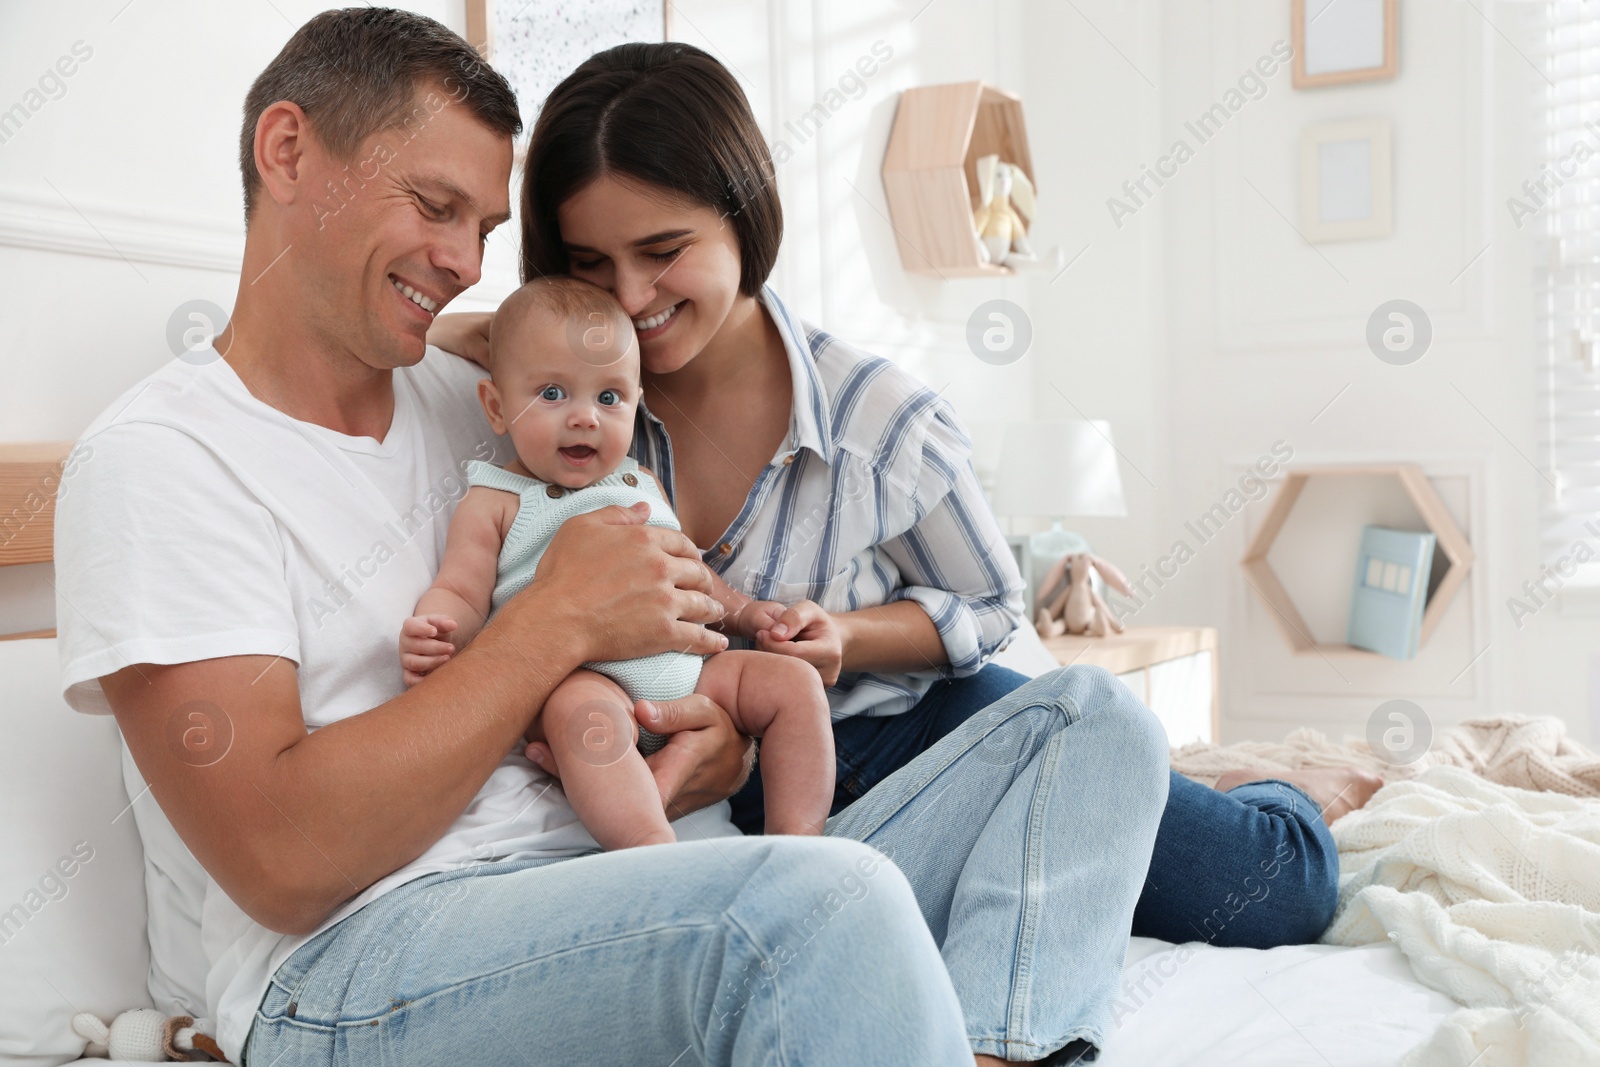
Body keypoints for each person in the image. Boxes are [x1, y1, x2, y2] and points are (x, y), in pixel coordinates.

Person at [55, 10, 1169, 1065]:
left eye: (484, 229)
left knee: (1094, 720)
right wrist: (553, 624)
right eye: (432, 205)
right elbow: (281, 861)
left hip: (643, 873)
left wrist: (714, 729)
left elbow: (582, 389)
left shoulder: (483, 394)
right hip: (360, 959)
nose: (460, 257)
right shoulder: (164, 461)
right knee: (823, 899)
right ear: (286, 150)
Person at [430, 38, 1383, 957]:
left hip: (905, 725)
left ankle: (1283, 788)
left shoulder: (877, 419)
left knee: (1275, 891)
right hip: (737, 776)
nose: (630, 296)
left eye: (663, 250)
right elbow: (455, 348)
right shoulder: (567, 389)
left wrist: (847, 637)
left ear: (743, 215)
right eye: (590, 264)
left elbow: (992, 604)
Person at [401, 275, 835, 845]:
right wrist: (441, 631)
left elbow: (687, 569)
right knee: (581, 718)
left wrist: (748, 613)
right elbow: (460, 588)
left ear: (635, 405)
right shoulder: (497, 501)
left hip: (694, 675)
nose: (585, 417)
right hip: (586, 681)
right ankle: (649, 851)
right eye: (552, 394)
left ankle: (798, 844)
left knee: (797, 685)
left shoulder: (640, 480)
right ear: (497, 407)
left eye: (609, 398)